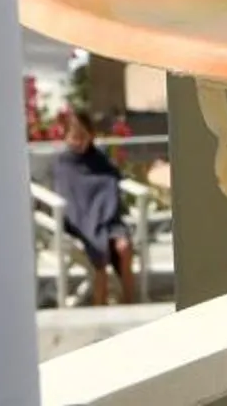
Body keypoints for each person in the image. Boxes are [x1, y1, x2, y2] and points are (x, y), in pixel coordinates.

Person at [50, 110, 139, 306]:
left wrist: (104, 211)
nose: (80, 141)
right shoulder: (64, 163)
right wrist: (90, 217)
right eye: (75, 137)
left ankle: (130, 303)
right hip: (79, 222)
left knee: (124, 248)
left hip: (108, 217)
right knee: (100, 252)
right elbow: (69, 195)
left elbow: (110, 183)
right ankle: (101, 306)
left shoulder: (100, 159)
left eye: (84, 136)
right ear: (67, 137)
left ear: (91, 135)